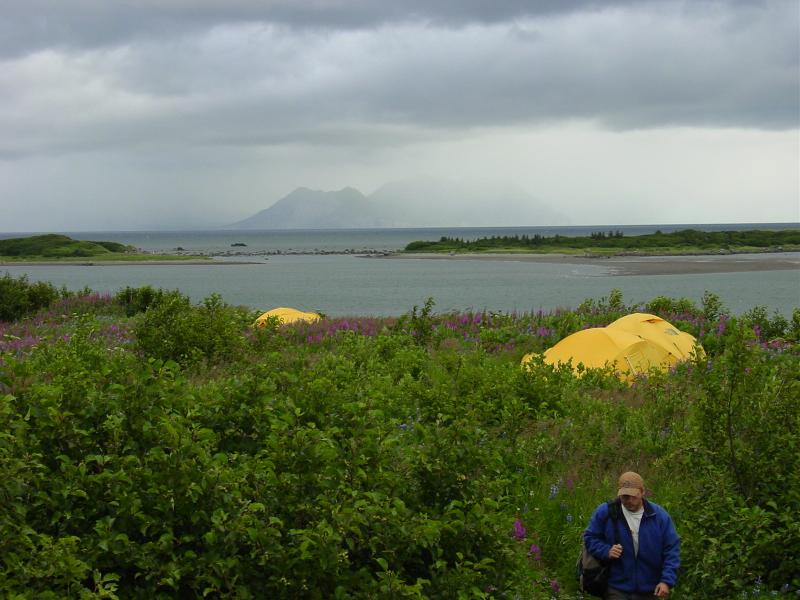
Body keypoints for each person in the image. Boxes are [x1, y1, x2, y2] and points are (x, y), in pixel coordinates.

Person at [583, 471, 680, 599]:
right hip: (616, 586)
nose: (629, 501)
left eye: (633, 496)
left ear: (642, 492)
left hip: (650, 588)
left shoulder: (659, 516)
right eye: (625, 496)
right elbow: (590, 538)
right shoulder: (606, 512)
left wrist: (666, 581)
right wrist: (606, 550)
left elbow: (672, 549)